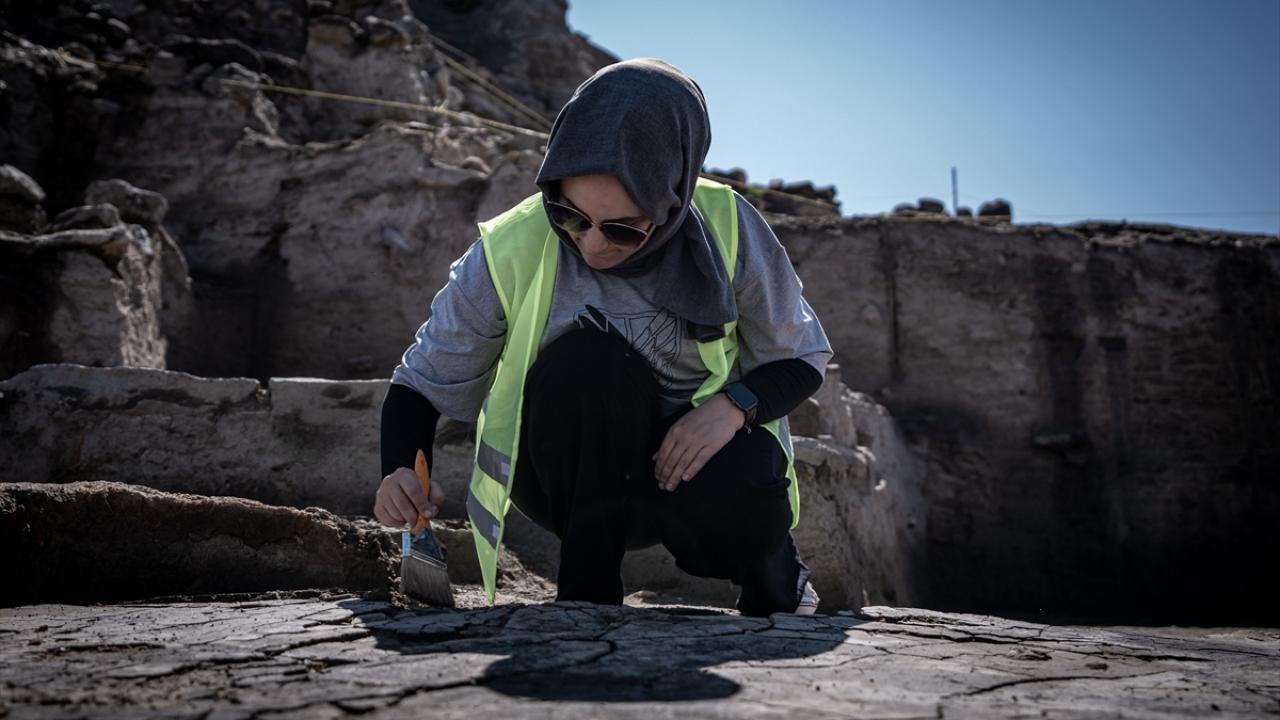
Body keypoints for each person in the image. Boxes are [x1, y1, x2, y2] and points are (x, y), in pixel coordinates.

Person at [375, 58, 833, 616]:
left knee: (741, 497)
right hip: (568, 473)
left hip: (689, 468)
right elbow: (420, 384)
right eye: (570, 215)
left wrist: (732, 408)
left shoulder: (731, 227)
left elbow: (802, 358)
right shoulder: (512, 246)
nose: (592, 246)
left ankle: (776, 576)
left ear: (671, 201)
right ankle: (586, 598)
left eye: (621, 228)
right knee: (588, 362)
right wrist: (400, 467)